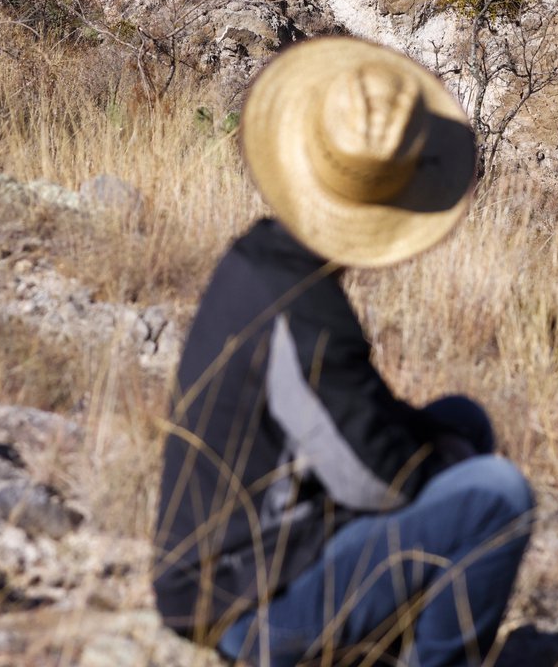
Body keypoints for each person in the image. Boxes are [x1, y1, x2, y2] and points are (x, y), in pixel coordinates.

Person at [152, 37, 535, 667]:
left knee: (463, 421)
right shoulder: (301, 307)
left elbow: (345, 416)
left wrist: (441, 443)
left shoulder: (266, 261)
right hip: (247, 605)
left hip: (250, 565)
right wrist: (442, 463)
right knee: (499, 494)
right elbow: (373, 480)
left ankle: (383, 639)